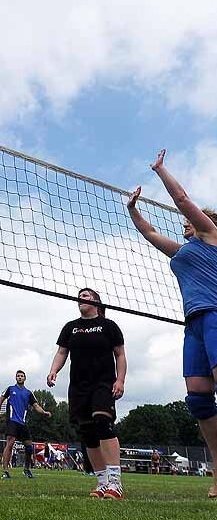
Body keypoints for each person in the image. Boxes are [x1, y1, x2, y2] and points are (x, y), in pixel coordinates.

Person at [127, 149, 217, 499]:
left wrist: (160, 170)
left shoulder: (211, 235)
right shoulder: (182, 252)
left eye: (188, 220)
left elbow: (181, 198)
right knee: (198, 401)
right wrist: (133, 210)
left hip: (215, 315)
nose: (183, 223)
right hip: (193, 325)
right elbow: (150, 233)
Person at [47, 288, 127, 500]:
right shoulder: (71, 328)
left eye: (86, 295)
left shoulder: (108, 326)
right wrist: (54, 370)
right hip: (79, 387)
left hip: (103, 384)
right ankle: (102, 482)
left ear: (96, 302)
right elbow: (62, 352)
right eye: (79, 296)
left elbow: (120, 354)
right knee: (87, 431)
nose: (81, 298)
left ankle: (115, 482)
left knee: (102, 422)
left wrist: (120, 380)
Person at [0, 370, 51, 479]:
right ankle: (5, 471)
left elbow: (36, 406)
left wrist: (44, 412)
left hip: (23, 423)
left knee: (29, 447)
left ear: (25, 378)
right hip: (12, 421)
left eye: (22, 376)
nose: (20, 377)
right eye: (18, 376)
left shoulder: (29, 393)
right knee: (10, 443)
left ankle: (26, 469)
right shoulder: (10, 389)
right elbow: (0, 400)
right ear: (16, 378)